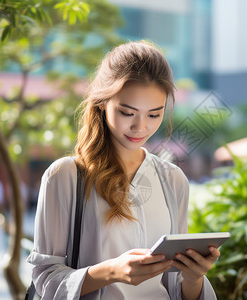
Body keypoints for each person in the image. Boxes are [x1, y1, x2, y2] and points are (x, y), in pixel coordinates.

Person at [27, 41, 220, 299]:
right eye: (127, 112)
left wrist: (193, 276)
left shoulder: (173, 180)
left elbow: (174, 286)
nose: (140, 127)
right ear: (102, 103)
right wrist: (112, 271)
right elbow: (45, 279)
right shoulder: (65, 176)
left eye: (154, 115)